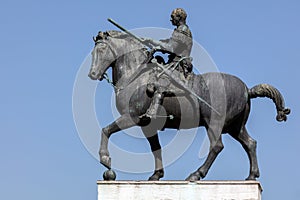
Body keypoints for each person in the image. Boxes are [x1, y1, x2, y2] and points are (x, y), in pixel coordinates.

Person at [142, 8, 193, 119]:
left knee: (162, 80)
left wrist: (153, 42)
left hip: (179, 65)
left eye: (172, 17)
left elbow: (171, 47)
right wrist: (151, 41)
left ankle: (153, 111)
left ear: (179, 18)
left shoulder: (182, 30)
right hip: (174, 63)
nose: (170, 19)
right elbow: (167, 42)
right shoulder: (179, 30)